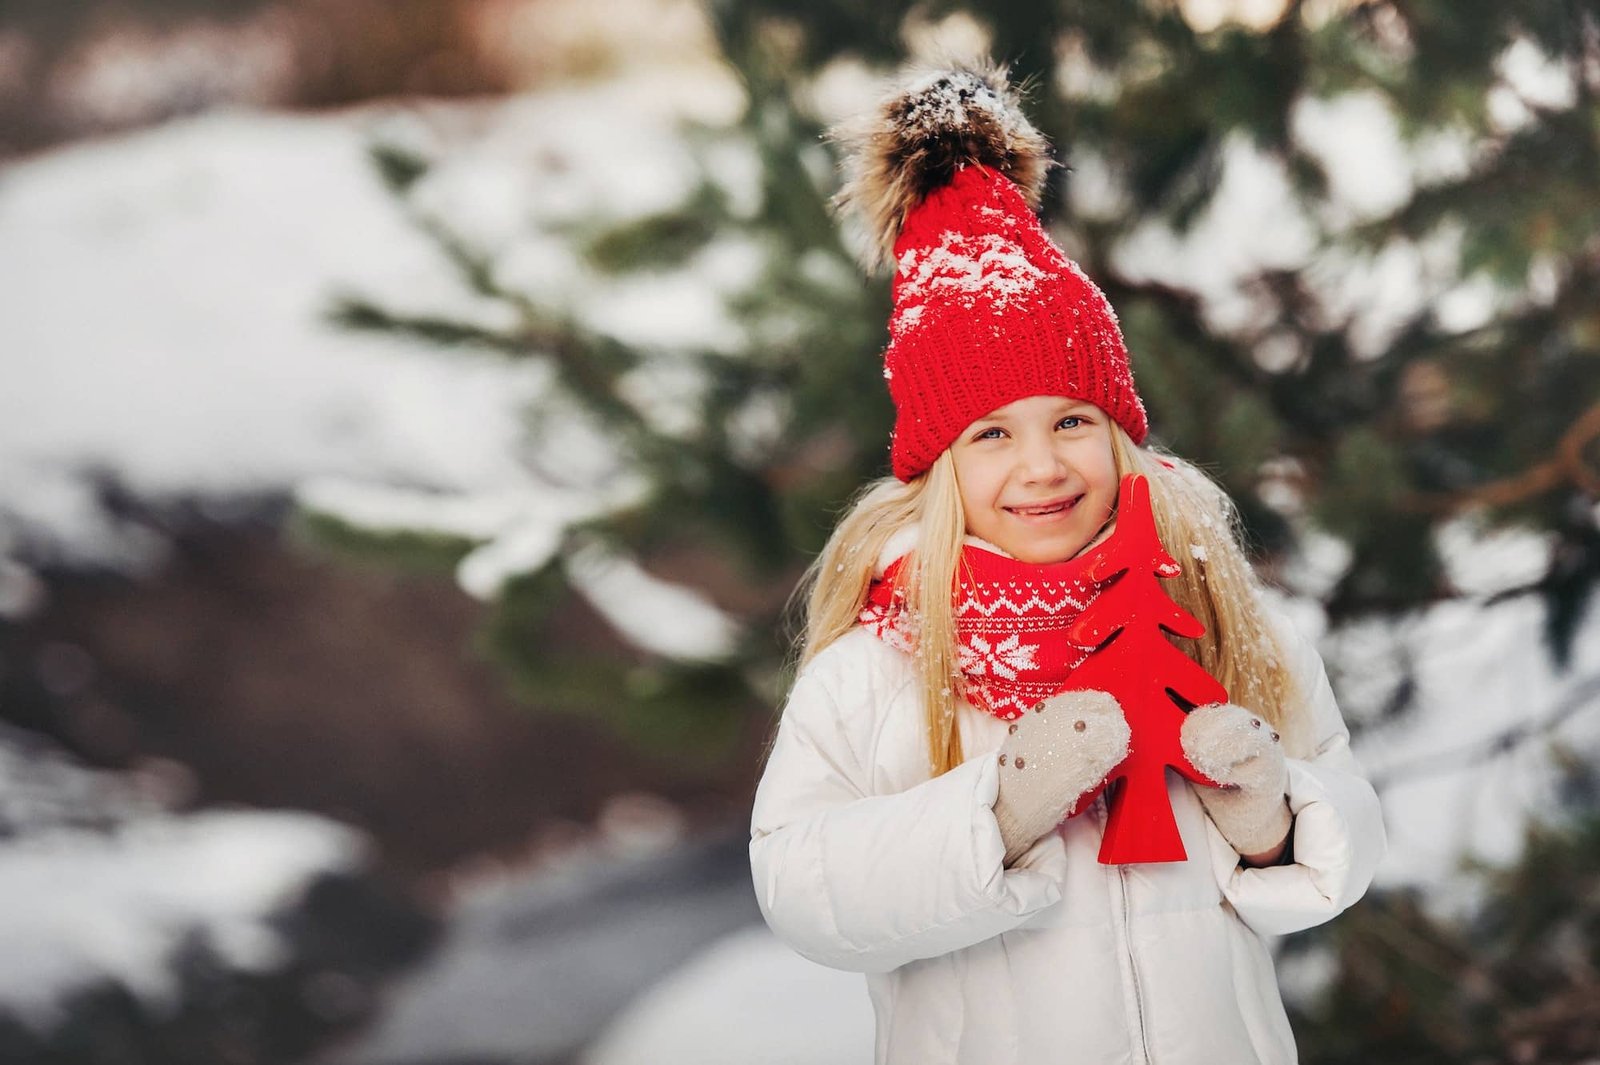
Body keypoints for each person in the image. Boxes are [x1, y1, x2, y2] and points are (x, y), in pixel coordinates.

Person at [748, 61, 1386, 1065]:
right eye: (990, 436)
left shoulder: (1224, 623)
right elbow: (802, 890)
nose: (1042, 467)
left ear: (1121, 432)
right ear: (937, 466)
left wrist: (1276, 817)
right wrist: (996, 813)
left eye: (1073, 420)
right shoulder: (873, 670)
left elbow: (1344, 826)